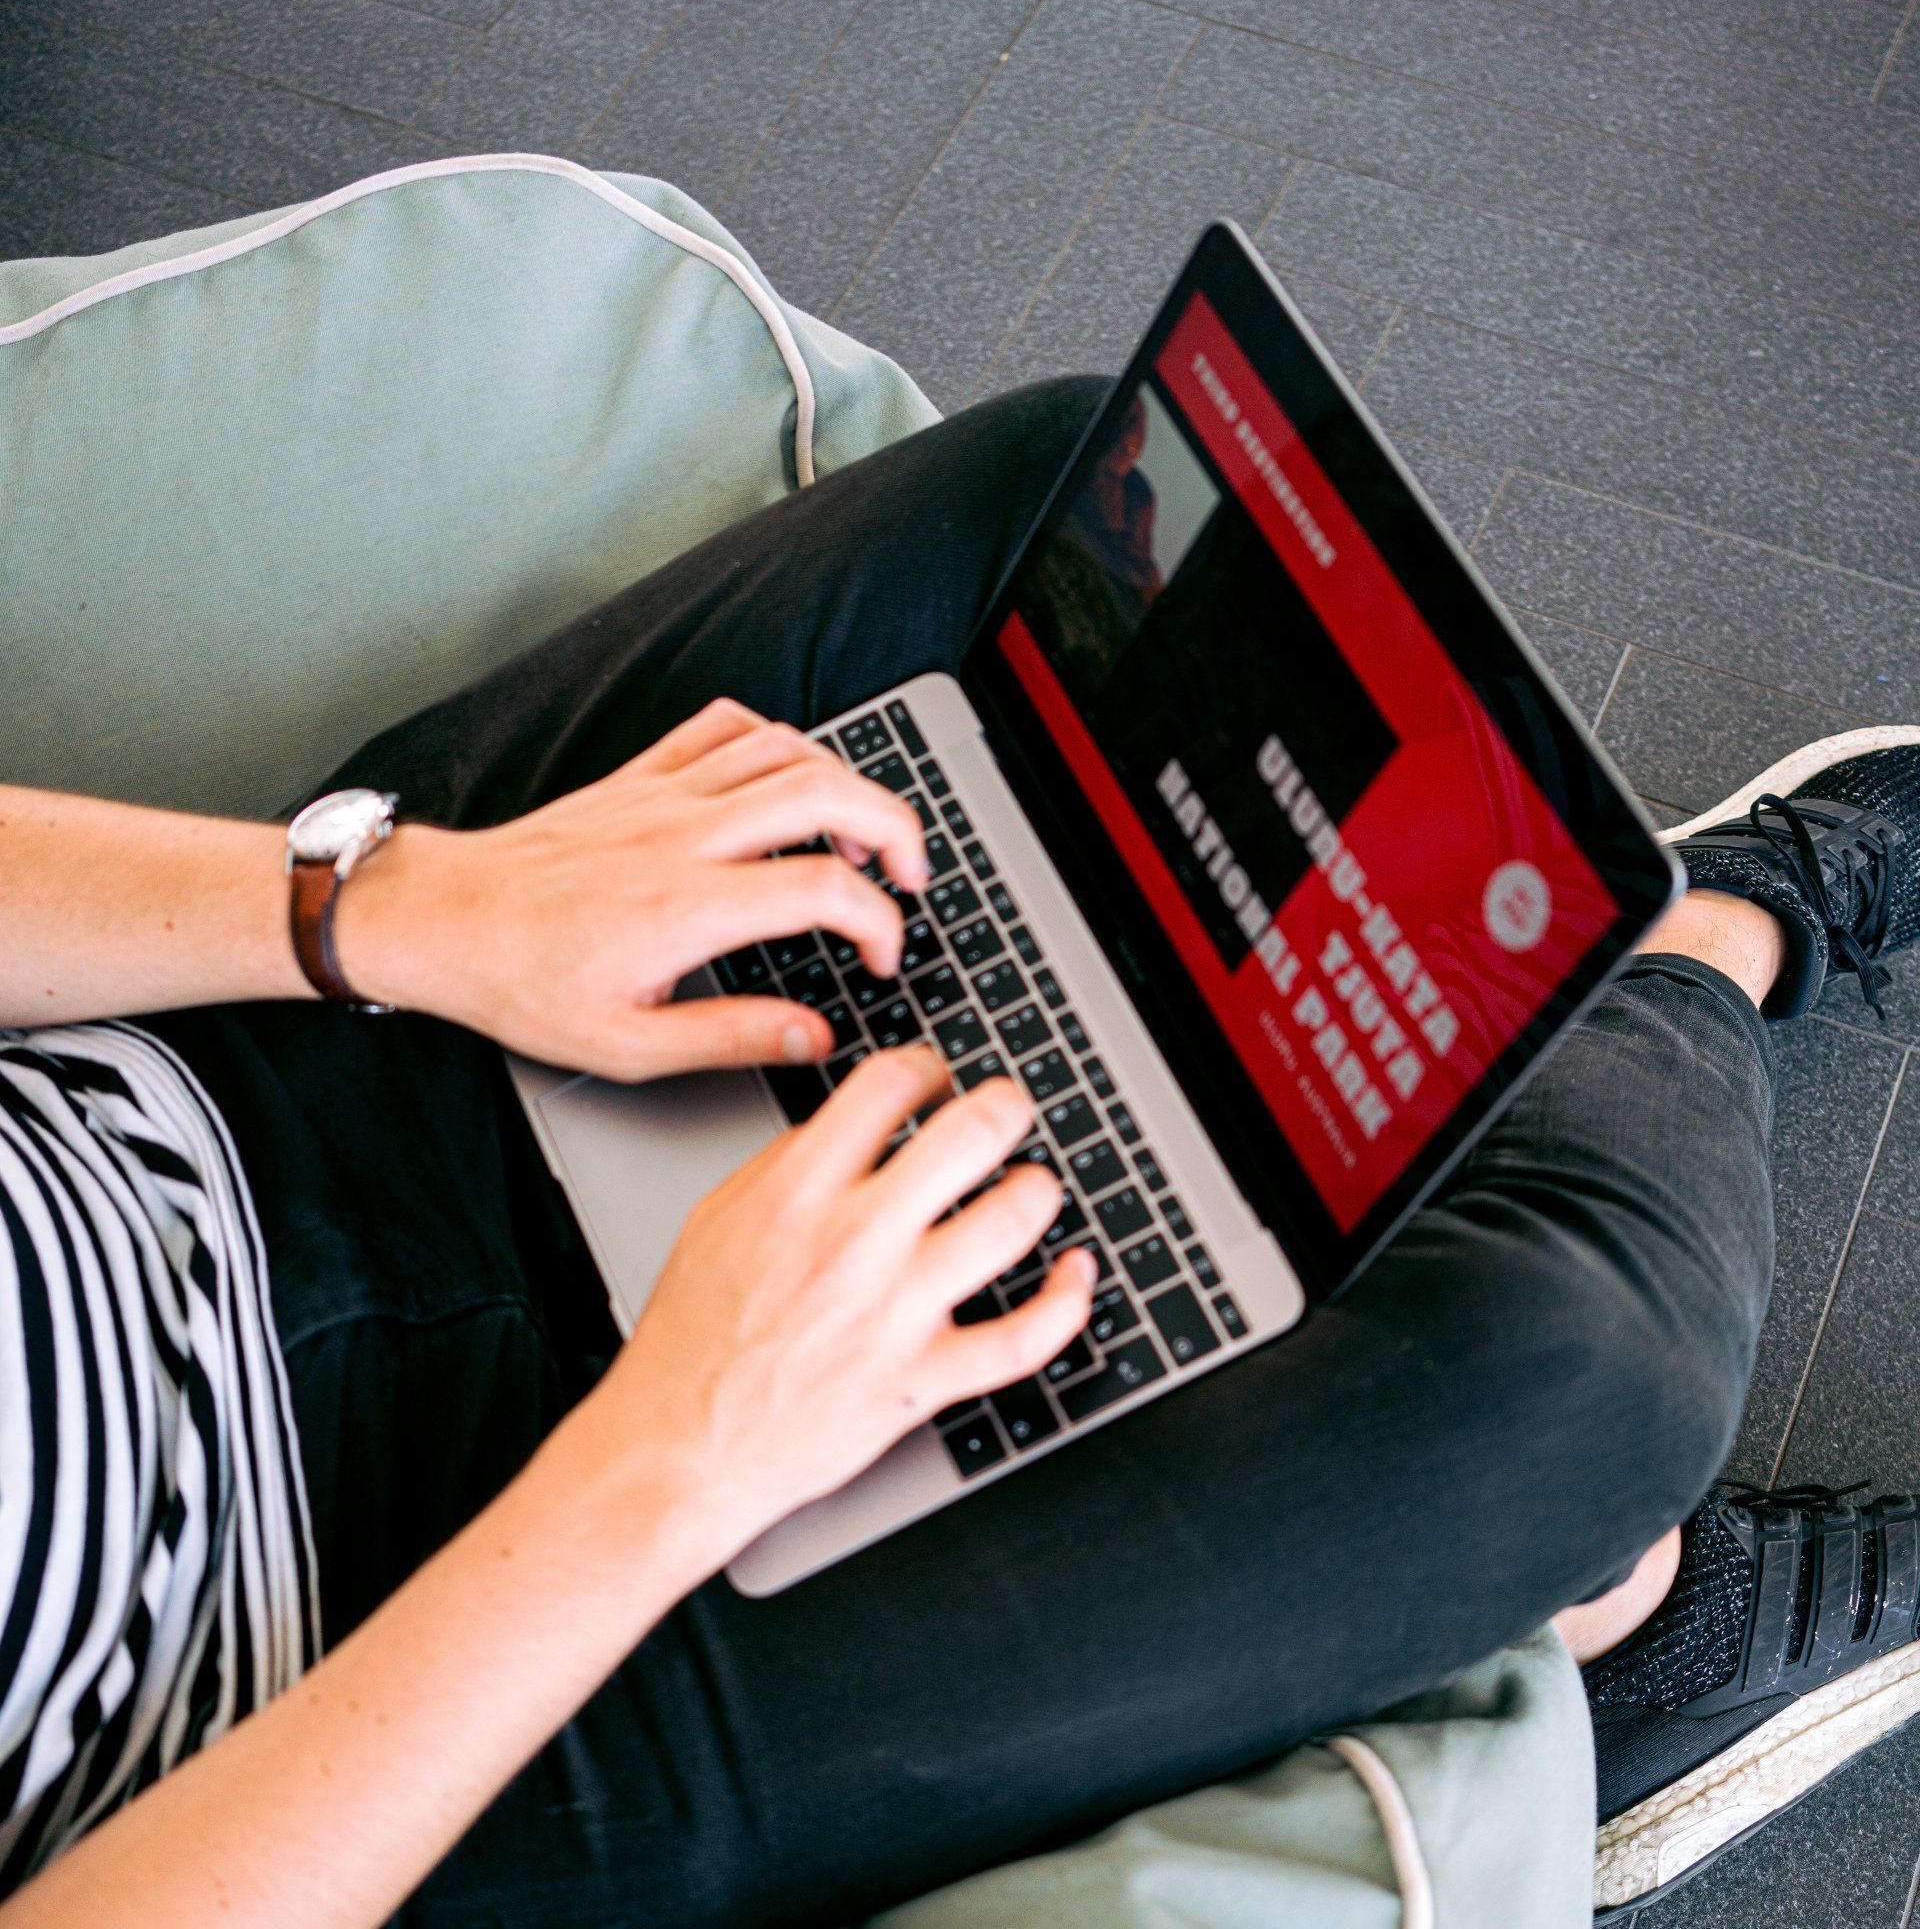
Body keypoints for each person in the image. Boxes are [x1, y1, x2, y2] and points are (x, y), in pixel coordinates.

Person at [1, 377, 1915, 1929]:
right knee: (1585, 1354)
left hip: (228, 1089)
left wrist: (394, 910)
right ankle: (1697, 966)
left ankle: (1496, 1199)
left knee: (1089, 512)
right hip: (358, 1699)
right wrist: (670, 1458)